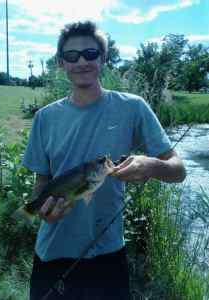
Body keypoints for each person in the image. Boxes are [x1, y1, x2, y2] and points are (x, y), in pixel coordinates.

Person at [22, 21, 186, 300]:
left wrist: (153, 166)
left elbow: (179, 170)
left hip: (107, 253)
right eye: (72, 56)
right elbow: (42, 183)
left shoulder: (133, 107)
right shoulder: (45, 118)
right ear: (61, 63)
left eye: (90, 53)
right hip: (52, 253)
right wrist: (43, 212)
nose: (82, 61)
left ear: (104, 59)